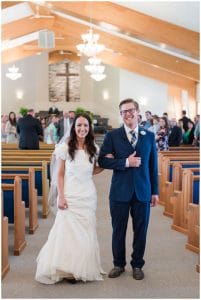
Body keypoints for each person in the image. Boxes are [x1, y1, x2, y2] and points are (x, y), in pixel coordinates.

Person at [35, 113, 105, 284]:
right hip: (70, 194)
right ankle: (66, 269)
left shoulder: (93, 148)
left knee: (85, 231)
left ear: (90, 129)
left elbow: (93, 169)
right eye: (79, 125)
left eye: (86, 126)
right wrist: (61, 196)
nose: (82, 129)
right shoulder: (65, 148)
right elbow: (59, 174)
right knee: (67, 232)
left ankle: (79, 268)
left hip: (87, 195)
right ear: (74, 128)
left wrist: (104, 165)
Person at [98, 98, 158, 281]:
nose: (127, 114)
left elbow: (152, 166)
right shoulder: (112, 136)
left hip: (142, 191)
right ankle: (118, 264)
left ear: (138, 112)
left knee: (141, 230)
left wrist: (155, 191)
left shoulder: (148, 135)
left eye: (130, 110)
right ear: (121, 114)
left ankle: (137, 264)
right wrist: (125, 162)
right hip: (119, 192)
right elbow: (103, 161)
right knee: (118, 230)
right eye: (123, 112)